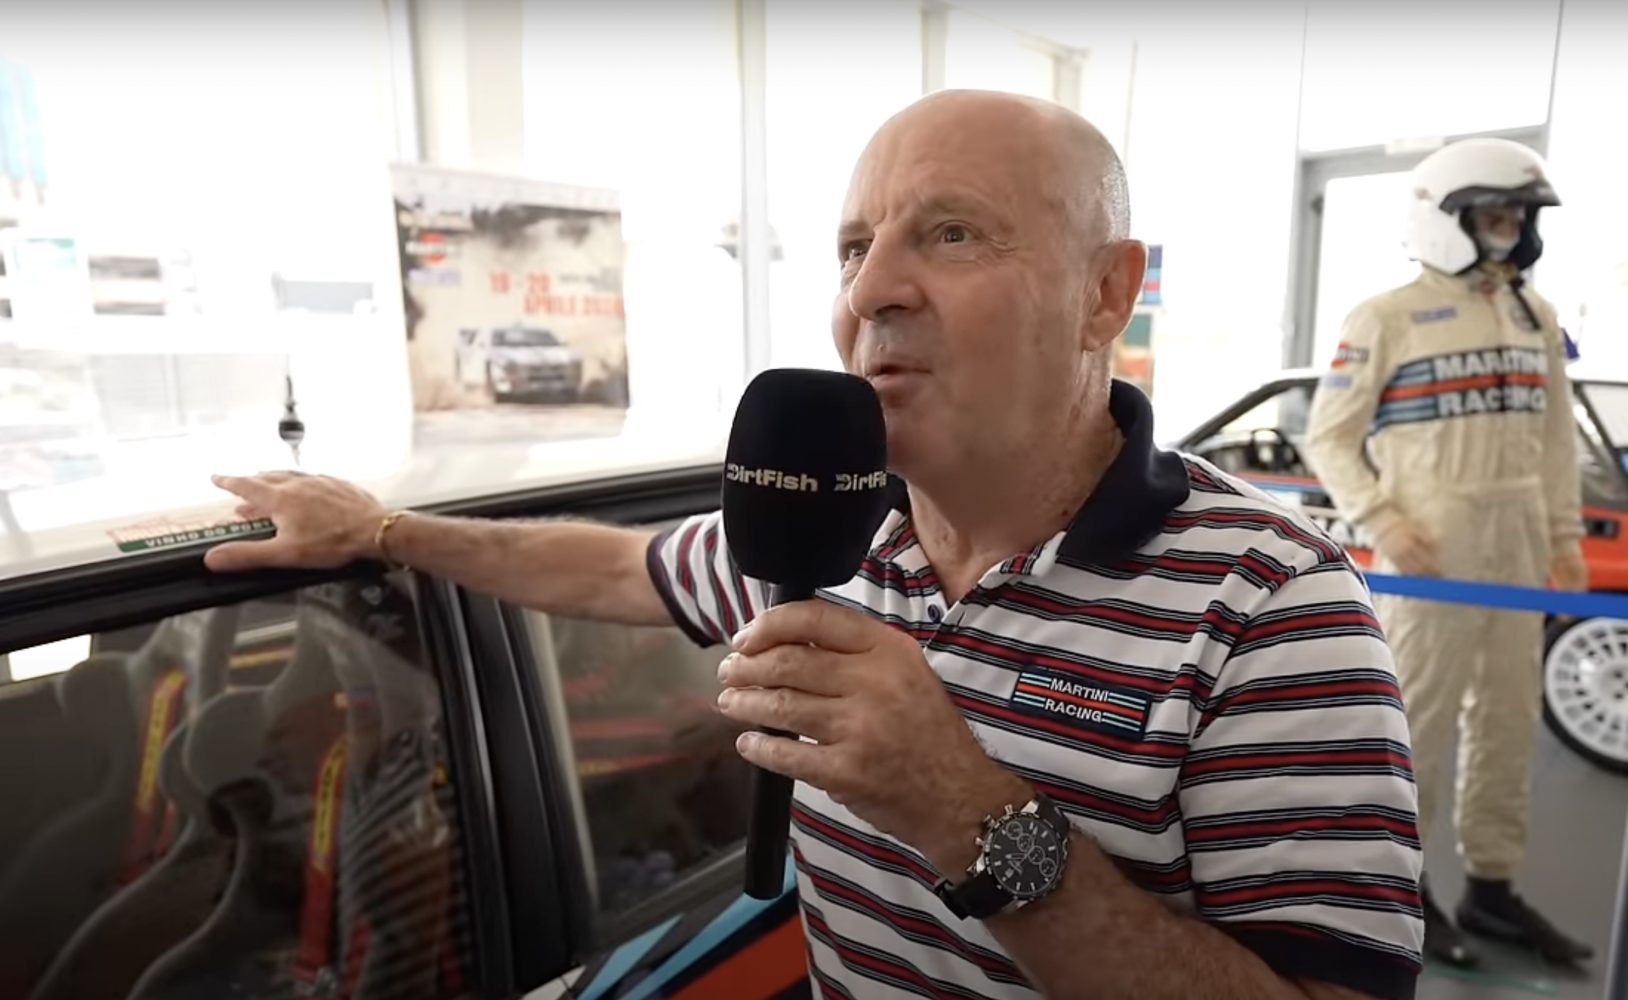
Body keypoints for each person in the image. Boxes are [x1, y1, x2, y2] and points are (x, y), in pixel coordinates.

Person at [208, 90, 1423, 999]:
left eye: (952, 233)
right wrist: (379, 528)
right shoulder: (833, 523)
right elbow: (614, 568)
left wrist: (963, 808)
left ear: (1104, 293)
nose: (869, 290)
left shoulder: (1273, 606)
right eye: (852, 247)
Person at [1302, 137, 1591, 969]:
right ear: (1447, 218)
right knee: (1416, 725)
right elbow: (1330, 435)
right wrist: (1383, 521)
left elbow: (1556, 443)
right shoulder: (1385, 317)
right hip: (1430, 554)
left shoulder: (1534, 316)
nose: (1508, 228)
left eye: (1518, 215)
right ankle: (1405, 888)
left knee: (1509, 721)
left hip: (1517, 551)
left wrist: (1564, 538)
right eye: (1493, 213)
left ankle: (1492, 890)